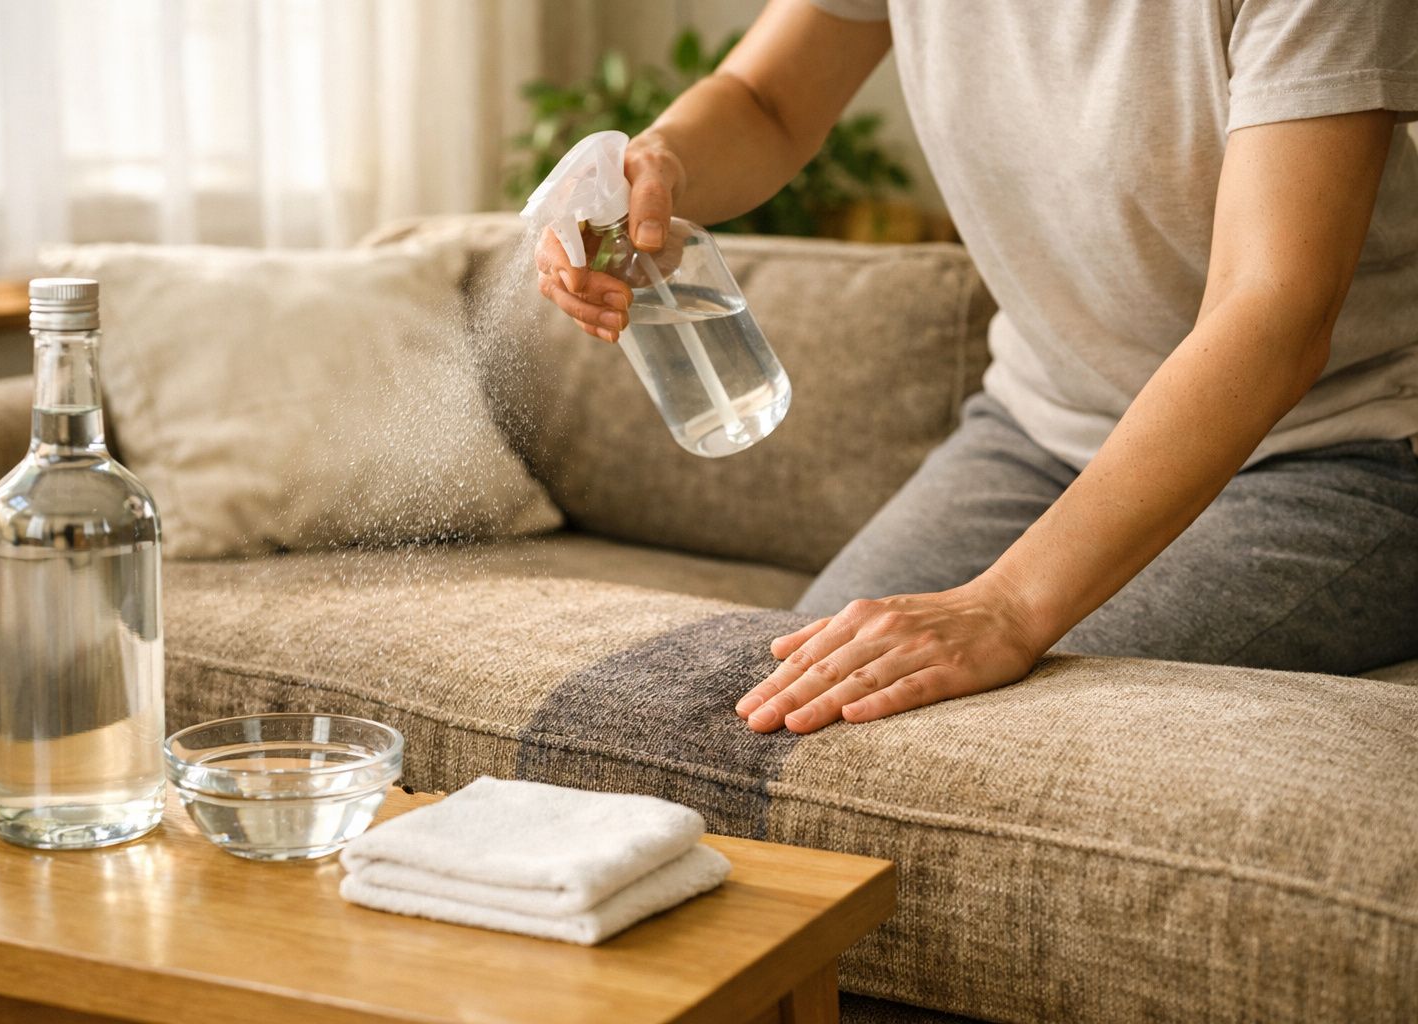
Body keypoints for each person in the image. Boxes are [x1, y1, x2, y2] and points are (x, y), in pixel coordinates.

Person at [534, 0, 1418, 735]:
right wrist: (664, 163)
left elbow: (1272, 312)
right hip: (1038, 431)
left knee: (926, 727)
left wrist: (1009, 607)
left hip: (1340, 456)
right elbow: (767, 99)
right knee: (780, 704)